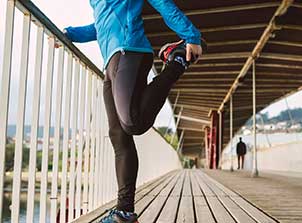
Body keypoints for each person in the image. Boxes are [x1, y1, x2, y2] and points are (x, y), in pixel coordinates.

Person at [63, 0, 203, 222]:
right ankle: (124, 212)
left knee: (133, 122)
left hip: (130, 50)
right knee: (119, 136)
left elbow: (162, 3)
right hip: (110, 63)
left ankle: (176, 62)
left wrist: (192, 36)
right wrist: (69, 33)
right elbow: (100, 25)